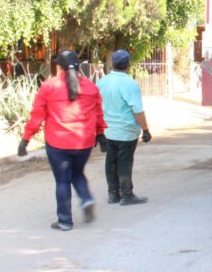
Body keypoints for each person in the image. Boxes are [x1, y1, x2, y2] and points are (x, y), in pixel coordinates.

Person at [18, 50, 107, 231]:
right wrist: (100, 134)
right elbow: (98, 113)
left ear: (58, 66)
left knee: (62, 181)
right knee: (77, 173)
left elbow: (37, 116)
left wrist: (25, 139)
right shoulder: (91, 87)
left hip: (58, 143)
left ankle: (65, 221)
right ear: (79, 64)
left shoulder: (49, 86)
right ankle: (86, 199)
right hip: (84, 142)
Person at [97, 50, 151, 206]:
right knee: (125, 163)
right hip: (126, 131)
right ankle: (127, 195)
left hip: (108, 130)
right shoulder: (130, 83)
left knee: (110, 162)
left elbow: (96, 106)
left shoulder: (102, 82)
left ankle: (113, 194)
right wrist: (145, 130)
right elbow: (137, 110)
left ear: (112, 64)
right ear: (128, 65)